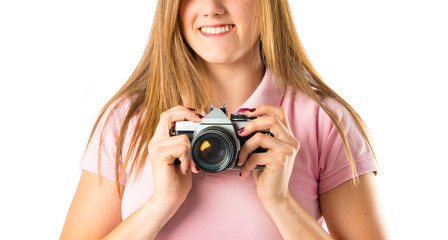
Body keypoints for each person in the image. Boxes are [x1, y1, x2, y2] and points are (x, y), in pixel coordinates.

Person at [61, 0, 388, 239]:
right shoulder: (127, 120)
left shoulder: (324, 121)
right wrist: (160, 204)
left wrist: (280, 202)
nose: (212, 7)